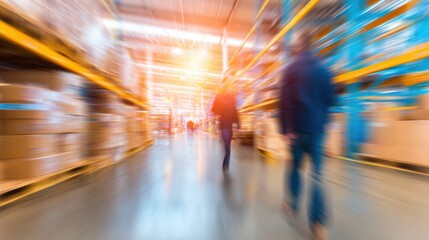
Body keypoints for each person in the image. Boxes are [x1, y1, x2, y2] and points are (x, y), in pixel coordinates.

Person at [279, 30, 336, 240]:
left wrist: (285, 130)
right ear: (311, 46)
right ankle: (318, 224)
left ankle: (292, 205)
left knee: (294, 167)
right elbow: (332, 100)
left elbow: (283, 103)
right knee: (317, 176)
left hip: (296, 132)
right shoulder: (324, 70)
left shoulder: (289, 69)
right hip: (317, 131)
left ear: (298, 46)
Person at [212, 89, 240, 173]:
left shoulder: (228, 98)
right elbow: (214, 110)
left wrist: (238, 123)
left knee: (226, 146)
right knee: (227, 146)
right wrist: (238, 123)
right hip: (226, 126)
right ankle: (226, 163)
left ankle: (226, 162)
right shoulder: (224, 98)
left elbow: (235, 110)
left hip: (226, 127)